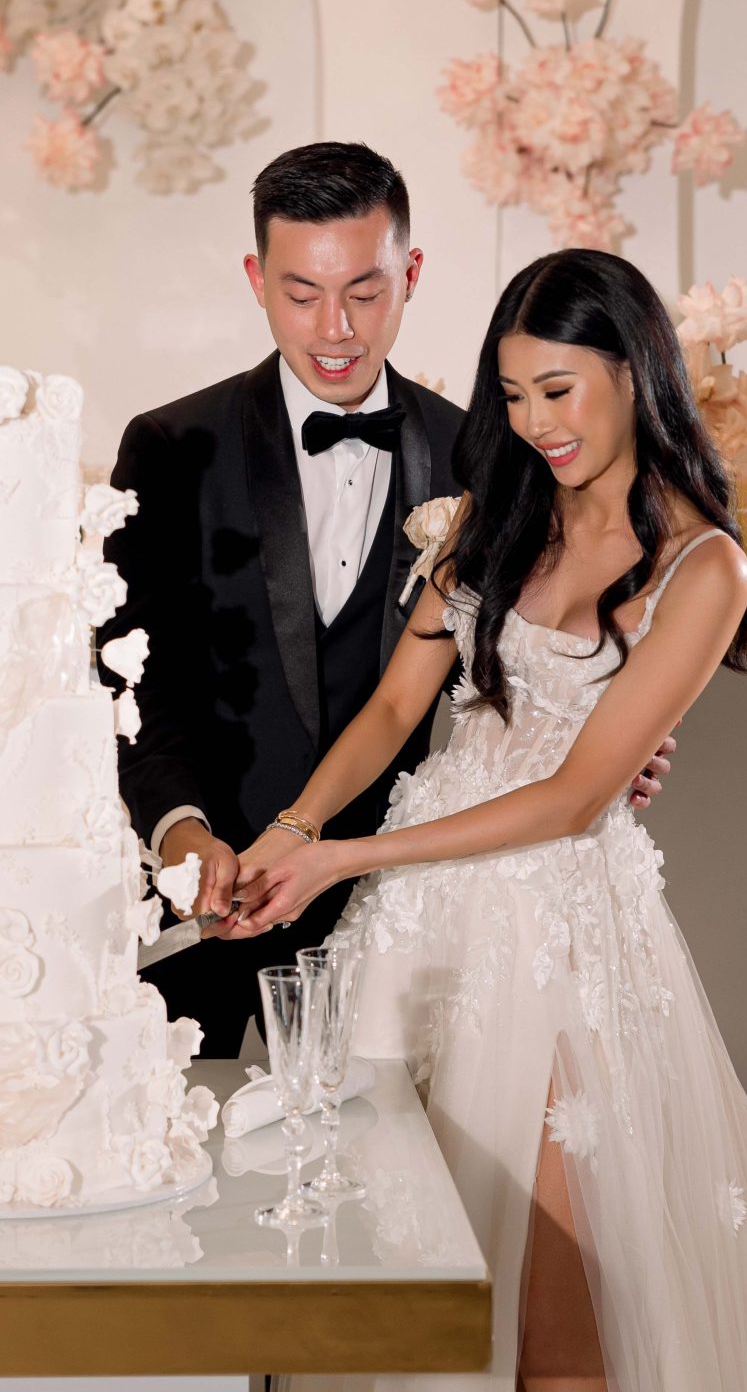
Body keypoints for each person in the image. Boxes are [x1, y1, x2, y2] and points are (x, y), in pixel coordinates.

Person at [243, 248, 747, 1392]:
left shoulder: (701, 567)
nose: (536, 420)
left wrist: (342, 859)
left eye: (561, 389)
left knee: (551, 1314)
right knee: (412, 1290)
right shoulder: (487, 522)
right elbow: (392, 715)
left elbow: (579, 793)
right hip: (417, 942)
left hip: (552, 948)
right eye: (516, 392)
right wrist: (294, 829)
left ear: (634, 375)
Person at [100, 145, 670, 1057]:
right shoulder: (170, 447)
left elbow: (536, 638)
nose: (335, 328)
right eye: (301, 294)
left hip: (397, 898)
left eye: (364, 293)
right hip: (196, 893)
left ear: (410, 275)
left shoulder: (489, 457)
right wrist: (181, 835)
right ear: (255, 280)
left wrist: (605, 729)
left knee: (378, 1143)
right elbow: (133, 684)